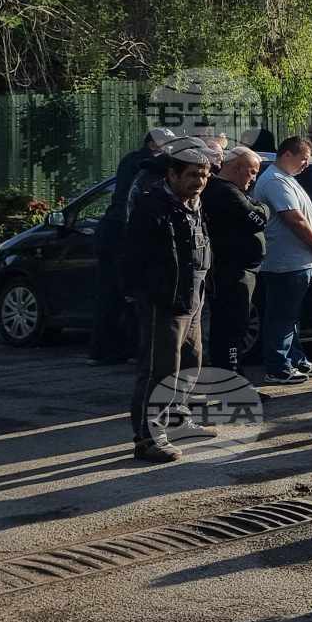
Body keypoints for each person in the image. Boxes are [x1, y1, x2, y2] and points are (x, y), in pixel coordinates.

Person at [121, 135, 214, 463]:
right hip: (164, 300)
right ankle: (147, 438)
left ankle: (177, 422)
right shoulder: (152, 205)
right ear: (172, 174)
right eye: (192, 175)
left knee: (190, 363)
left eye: (203, 175)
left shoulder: (195, 204)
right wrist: (145, 295)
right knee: (159, 370)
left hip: (193, 296)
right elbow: (134, 257)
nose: (199, 181)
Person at [92, 127, 173, 366]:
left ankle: (109, 350)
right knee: (123, 294)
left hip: (114, 233)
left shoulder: (132, 161)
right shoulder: (147, 165)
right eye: (167, 144)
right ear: (153, 144)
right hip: (121, 234)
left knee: (112, 294)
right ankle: (118, 349)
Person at [254, 136, 312, 388]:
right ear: (287, 154)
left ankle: (296, 358)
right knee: (281, 316)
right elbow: (294, 218)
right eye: (303, 158)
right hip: (286, 262)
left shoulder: (287, 178)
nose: (306, 164)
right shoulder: (275, 181)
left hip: (299, 261)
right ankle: (278, 366)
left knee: (291, 315)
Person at [201, 146, 268, 386]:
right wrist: (261, 208)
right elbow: (258, 218)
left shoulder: (231, 191)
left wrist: (258, 207)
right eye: (252, 172)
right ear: (237, 168)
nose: (253, 179)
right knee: (232, 330)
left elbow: (256, 211)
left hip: (237, 270)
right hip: (232, 271)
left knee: (233, 328)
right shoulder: (226, 192)